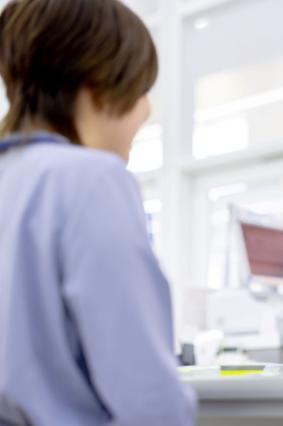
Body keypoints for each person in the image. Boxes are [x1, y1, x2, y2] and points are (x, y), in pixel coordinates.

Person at [0, 0, 195, 424]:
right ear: (98, 86)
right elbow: (148, 399)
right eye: (142, 90)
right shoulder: (89, 180)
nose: (146, 110)